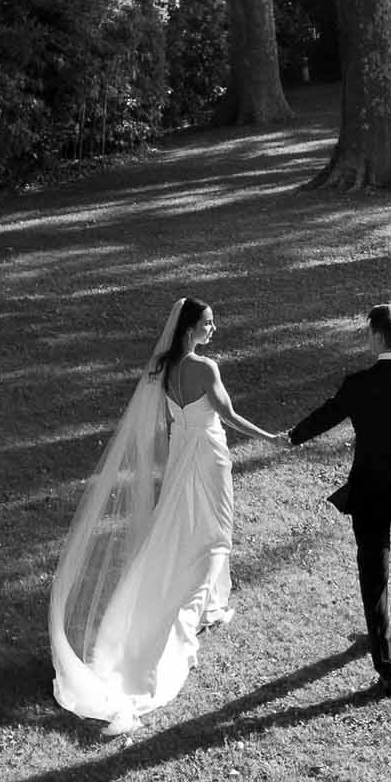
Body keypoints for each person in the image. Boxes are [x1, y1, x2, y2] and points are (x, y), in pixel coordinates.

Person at [49, 296, 280, 737]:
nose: (214, 330)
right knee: (215, 532)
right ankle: (190, 606)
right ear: (191, 327)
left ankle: (209, 600)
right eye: (209, 323)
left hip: (180, 455)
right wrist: (272, 437)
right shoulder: (204, 368)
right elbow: (227, 415)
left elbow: (167, 421)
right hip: (207, 458)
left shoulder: (164, 368)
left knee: (178, 526)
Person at [287, 302, 391, 698]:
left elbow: (327, 414)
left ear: (377, 337)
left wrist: (292, 436)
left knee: (373, 577)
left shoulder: (358, 384)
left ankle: (387, 668)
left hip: (370, 493)